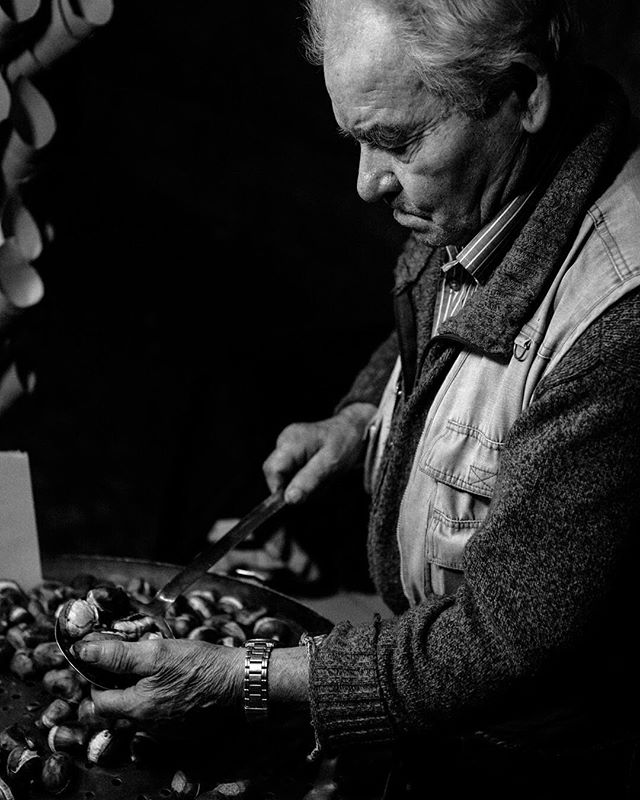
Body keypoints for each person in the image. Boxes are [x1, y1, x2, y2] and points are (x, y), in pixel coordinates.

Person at [75, 1, 640, 796]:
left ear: (523, 92)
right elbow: (454, 315)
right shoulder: (487, 185)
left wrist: (247, 678)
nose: (366, 183)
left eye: (397, 141)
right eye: (357, 138)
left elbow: (500, 640)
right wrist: (360, 417)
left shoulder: (621, 320)